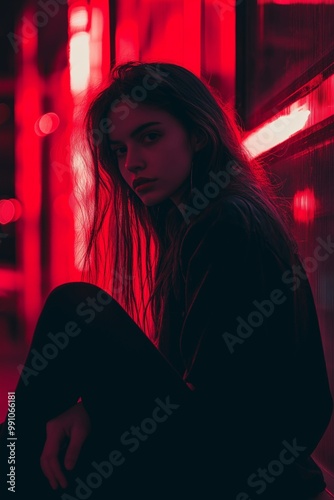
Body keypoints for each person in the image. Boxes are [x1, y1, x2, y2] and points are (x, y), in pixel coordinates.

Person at [0, 61, 333, 500]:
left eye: (150, 137)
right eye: (118, 150)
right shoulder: (197, 222)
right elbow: (187, 378)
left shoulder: (227, 222)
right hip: (229, 453)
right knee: (47, 442)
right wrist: (82, 408)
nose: (132, 163)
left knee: (73, 308)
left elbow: (219, 401)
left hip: (240, 465)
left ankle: (6, 466)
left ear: (197, 134)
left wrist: (92, 410)